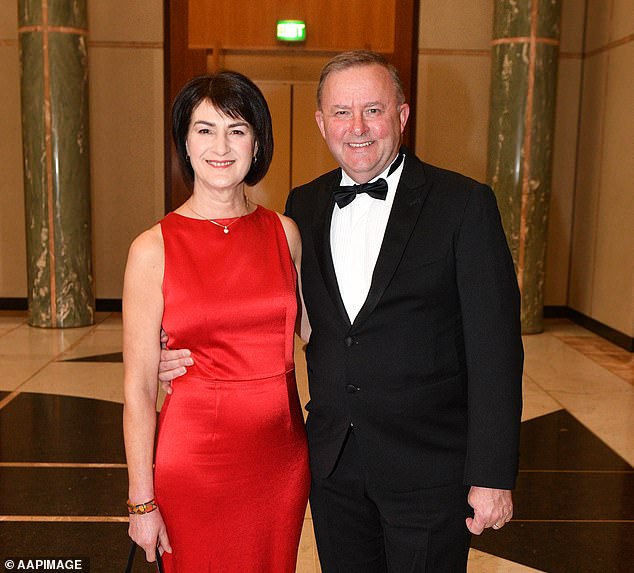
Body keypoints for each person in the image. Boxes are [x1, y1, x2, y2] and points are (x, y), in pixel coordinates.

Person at [159, 51, 523, 572]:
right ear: (320, 122)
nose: (357, 128)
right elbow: (266, 314)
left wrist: (491, 475)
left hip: (427, 469)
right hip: (333, 469)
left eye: (373, 110)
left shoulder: (463, 204)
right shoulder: (303, 207)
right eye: (340, 112)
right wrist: (168, 350)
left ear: (401, 115)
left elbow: (496, 351)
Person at [122, 71, 310, 572]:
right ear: (184, 142)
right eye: (204, 130)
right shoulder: (152, 249)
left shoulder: (284, 234)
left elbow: (321, 335)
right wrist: (142, 502)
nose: (220, 145)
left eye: (237, 128)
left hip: (281, 462)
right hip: (195, 463)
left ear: (257, 142)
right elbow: (139, 388)